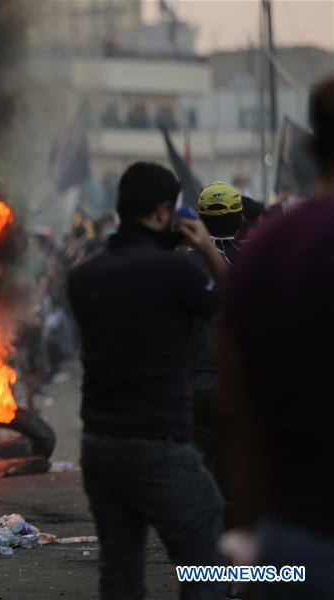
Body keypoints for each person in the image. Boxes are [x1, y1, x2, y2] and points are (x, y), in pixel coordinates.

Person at [67, 162, 229, 600]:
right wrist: (210, 251)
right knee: (205, 559)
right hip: (158, 439)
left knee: (120, 573)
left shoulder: (83, 275)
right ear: (163, 212)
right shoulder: (179, 273)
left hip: (100, 444)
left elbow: (86, 348)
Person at [217, 74, 334, 599]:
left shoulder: (266, 249)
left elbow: (238, 416)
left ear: (311, 148)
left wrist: (245, 546)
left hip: (295, 543)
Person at [186, 182, 245, 484]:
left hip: (191, 388)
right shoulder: (254, 259)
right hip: (242, 389)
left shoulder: (182, 264)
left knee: (195, 474)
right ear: (241, 219)